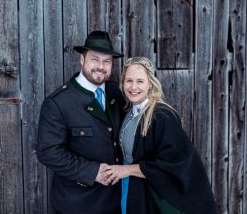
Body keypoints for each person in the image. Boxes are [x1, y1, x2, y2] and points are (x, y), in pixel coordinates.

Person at [105, 57, 218, 214]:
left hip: (155, 195)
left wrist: (126, 170)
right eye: (128, 81)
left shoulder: (162, 116)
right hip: (130, 187)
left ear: (150, 83)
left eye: (140, 81)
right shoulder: (130, 111)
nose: (133, 87)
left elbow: (173, 164)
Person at [36, 31, 125, 214]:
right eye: (95, 59)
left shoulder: (119, 93)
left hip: (118, 200)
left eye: (107, 61)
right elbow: (48, 152)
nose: (101, 66)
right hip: (79, 204)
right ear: (82, 60)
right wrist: (92, 172)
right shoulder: (58, 102)